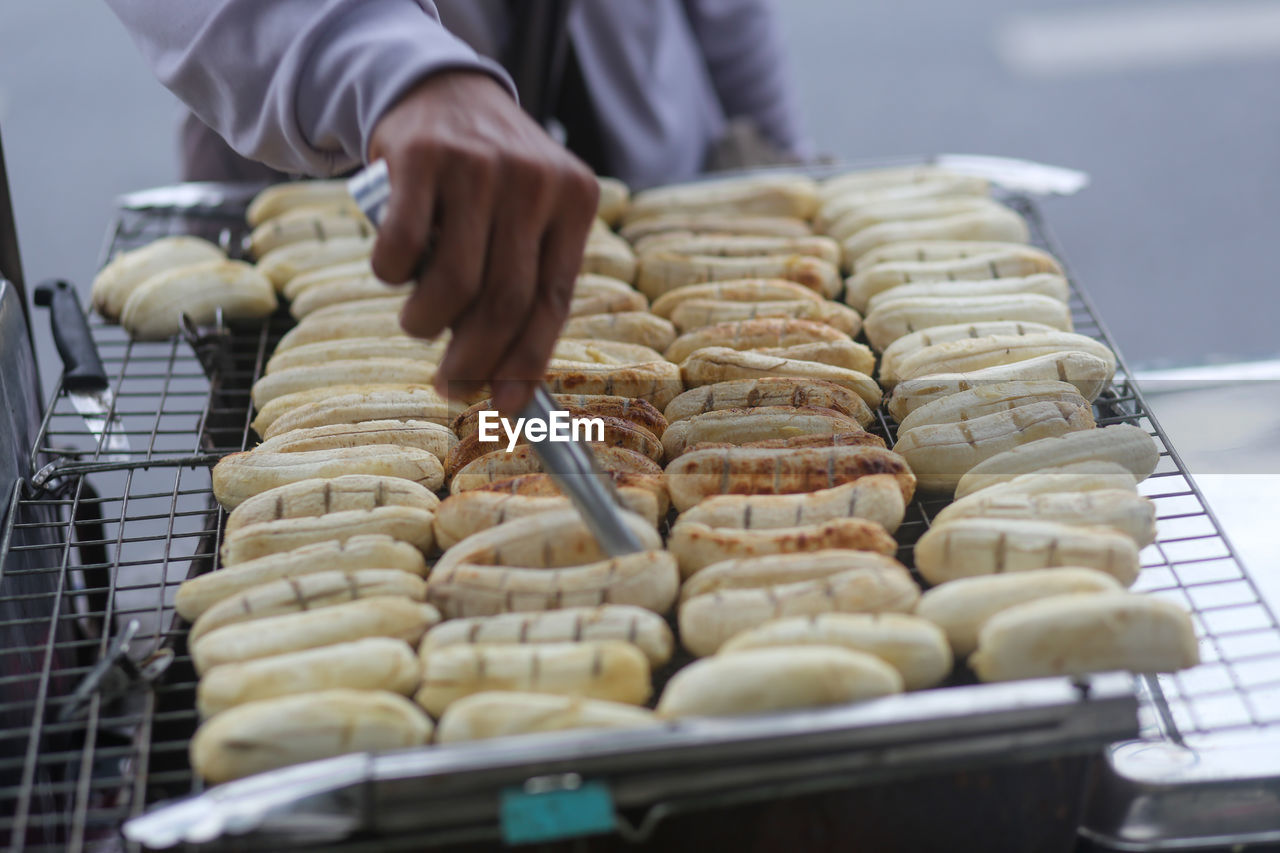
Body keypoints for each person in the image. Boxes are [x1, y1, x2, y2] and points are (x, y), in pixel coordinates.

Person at [104, 0, 811, 411]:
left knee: (604, 419)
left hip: (655, 174)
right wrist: (375, 64)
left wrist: (766, 145)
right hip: (338, 177)